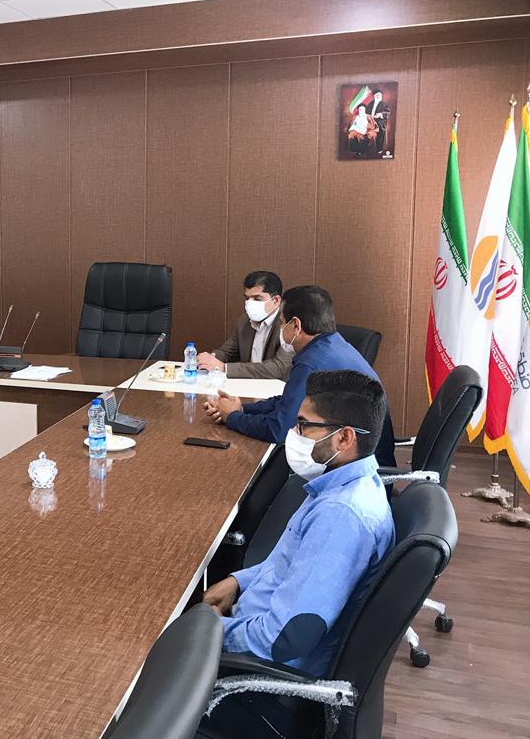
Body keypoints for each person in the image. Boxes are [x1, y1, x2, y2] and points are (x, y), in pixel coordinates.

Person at [197, 370, 396, 736]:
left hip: (261, 689)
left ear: (344, 437)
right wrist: (239, 581)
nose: (294, 433)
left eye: (304, 426)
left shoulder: (341, 516)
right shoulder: (339, 485)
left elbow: (282, 640)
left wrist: (208, 632)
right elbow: (287, 564)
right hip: (255, 643)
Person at [203, 285, 396, 466]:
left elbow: (279, 430)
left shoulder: (311, 363)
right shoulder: (333, 344)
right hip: (363, 461)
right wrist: (243, 409)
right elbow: (287, 402)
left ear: (296, 325)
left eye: (281, 323)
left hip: (355, 470)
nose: (280, 329)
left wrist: (233, 417)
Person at [198, 270, 292, 380]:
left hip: (277, 388)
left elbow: (278, 368)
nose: (250, 303)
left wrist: (224, 368)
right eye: (247, 298)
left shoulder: (288, 325)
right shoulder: (245, 320)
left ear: (276, 300)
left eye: (257, 298)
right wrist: (209, 359)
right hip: (248, 385)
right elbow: (228, 352)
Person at [367, 89, 391, 154]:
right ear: (374, 96)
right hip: (370, 122)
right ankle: (368, 148)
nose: (378, 96)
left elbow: (387, 112)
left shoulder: (384, 104)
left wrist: (380, 114)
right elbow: (366, 112)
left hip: (380, 122)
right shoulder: (370, 104)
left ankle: (379, 149)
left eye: (379, 95)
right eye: (377, 95)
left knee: (381, 131)